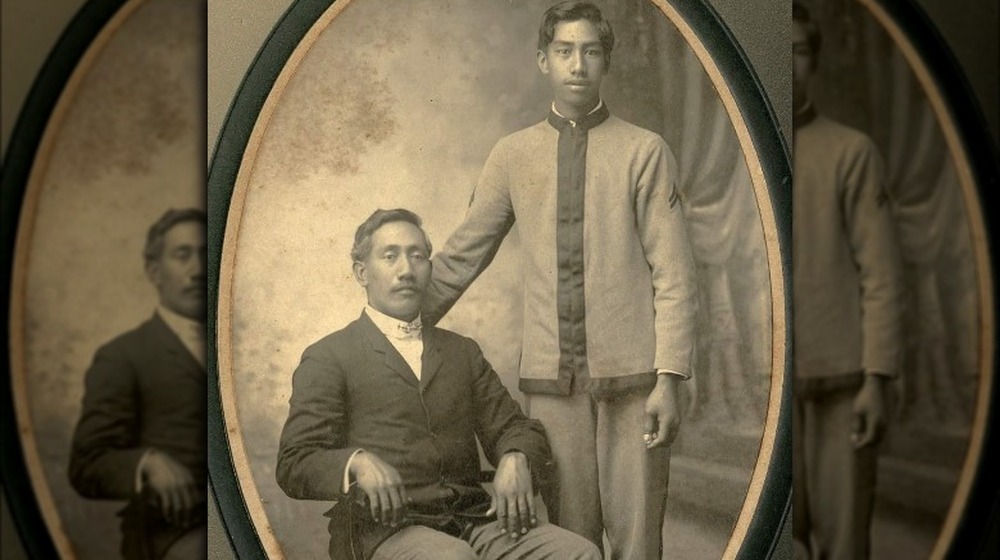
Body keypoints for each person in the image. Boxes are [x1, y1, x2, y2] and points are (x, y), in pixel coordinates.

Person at [421, 2, 697, 557]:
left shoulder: (644, 151)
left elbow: (674, 273)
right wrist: (396, 320)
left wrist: (669, 377)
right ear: (543, 60)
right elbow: (461, 256)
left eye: (591, 51)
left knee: (638, 541)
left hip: (635, 380)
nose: (578, 64)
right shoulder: (512, 154)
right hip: (550, 385)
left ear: (606, 61)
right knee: (569, 541)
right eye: (565, 52)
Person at [275, 209, 601, 560]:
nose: (406, 270)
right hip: (386, 531)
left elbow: (516, 427)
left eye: (418, 256)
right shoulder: (329, 355)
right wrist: (355, 462)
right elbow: (295, 462)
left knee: (578, 553)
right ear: (361, 272)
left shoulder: (462, 351)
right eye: (390, 256)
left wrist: (516, 456)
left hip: (475, 521)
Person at [791, 3, 903, 559]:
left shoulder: (850, 152)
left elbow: (880, 274)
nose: (788, 65)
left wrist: (877, 378)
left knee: (843, 547)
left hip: (842, 385)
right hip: (775, 394)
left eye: (799, 51)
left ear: (814, 61)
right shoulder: (751, 150)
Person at [69, 208, 207, 560]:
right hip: (167, 534)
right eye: (182, 255)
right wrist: (145, 462)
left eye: (206, 254)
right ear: (154, 271)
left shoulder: (240, 350)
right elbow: (87, 464)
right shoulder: (123, 355)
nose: (198, 269)